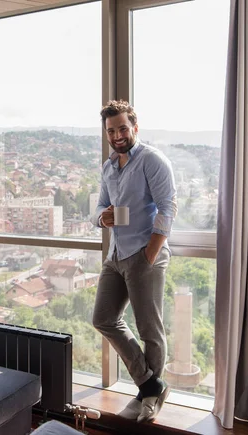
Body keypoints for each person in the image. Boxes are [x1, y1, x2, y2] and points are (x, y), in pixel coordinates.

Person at [91, 100, 177, 423]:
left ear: (135, 128)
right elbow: (98, 206)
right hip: (115, 256)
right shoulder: (108, 167)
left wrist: (150, 255)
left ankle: (149, 399)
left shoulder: (152, 161)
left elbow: (168, 209)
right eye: (111, 131)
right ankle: (150, 385)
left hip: (144, 256)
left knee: (149, 329)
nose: (117, 135)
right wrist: (103, 217)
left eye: (122, 128)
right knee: (103, 317)